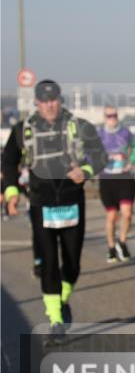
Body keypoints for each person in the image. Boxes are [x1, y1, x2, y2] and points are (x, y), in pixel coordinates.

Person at [2, 80, 108, 335]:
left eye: (54, 100)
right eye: (44, 101)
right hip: (41, 203)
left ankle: (61, 300)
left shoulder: (79, 126)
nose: (50, 105)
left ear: (60, 100)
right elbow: (8, 162)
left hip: (72, 201)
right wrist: (12, 192)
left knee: (72, 264)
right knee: (48, 263)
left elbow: (100, 156)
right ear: (37, 103)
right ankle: (55, 320)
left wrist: (86, 171)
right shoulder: (22, 130)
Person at [98, 104, 135, 263]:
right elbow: (90, 154)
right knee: (112, 216)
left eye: (115, 115)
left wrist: (131, 162)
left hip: (124, 177)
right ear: (104, 118)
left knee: (127, 213)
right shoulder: (99, 134)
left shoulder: (125, 132)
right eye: (109, 116)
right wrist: (103, 160)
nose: (112, 119)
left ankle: (122, 243)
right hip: (107, 178)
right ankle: (111, 248)